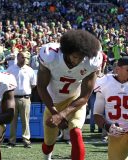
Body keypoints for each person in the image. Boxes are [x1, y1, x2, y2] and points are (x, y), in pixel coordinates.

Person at [37, 29, 103, 160]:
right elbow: (41, 87)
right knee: (49, 141)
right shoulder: (50, 56)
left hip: (75, 100)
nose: (78, 61)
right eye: (75, 57)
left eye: (82, 57)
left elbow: (85, 96)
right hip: (53, 102)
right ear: (66, 52)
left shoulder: (92, 61)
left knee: (76, 131)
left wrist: (62, 114)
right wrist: (55, 113)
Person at [6, 51, 37, 148]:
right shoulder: (10, 69)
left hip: (25, 98)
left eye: (27, 58)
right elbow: (6, 83)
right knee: (12, 121)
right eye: (23, 57)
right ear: (18, 57)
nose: (25, 60)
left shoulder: (30, 70)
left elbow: (33, 84)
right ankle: (12, 141)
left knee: (25, 121)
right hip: (12, 98)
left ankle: (26, 141)